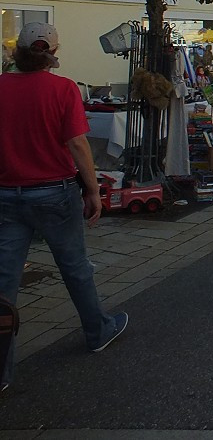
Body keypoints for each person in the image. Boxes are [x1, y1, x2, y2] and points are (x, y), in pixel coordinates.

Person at [0, 23, 129, 390]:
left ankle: (1, 369)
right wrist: (92, 189)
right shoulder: (63, 88)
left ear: (18, 52)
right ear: (53, 52)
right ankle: (98, 329)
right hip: (54, 192)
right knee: (74, 266)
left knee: (4, 281)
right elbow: (77, 144)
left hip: (7, 193)